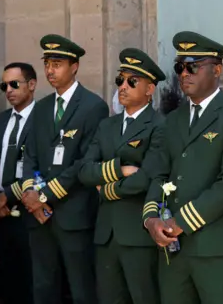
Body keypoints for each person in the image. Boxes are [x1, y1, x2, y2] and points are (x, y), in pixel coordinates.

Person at [143, 31, 223, 304]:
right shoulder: (172, 120)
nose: (184, 74)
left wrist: (180, 222)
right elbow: (158, 174)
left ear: (216, 70)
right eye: (180, 67)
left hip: (215, 250)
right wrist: (151, 219)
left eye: (193, 66)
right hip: (173, 250)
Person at [20, 34, 109, 304]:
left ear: (74, 66)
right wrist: (31, 195)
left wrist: (45, 195)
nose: (50, 70)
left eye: (57, 63)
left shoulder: (93, 106)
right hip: (39, 216)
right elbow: (30, 155)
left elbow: (85, 162)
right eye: (47, 63)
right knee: (44, 286)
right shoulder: (42, 108)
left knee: (81, 288)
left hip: (74, 214)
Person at [79, 47, 166, 304]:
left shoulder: (159, 126)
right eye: (120, 80)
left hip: (137, 234)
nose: (123, 86)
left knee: (144, 298)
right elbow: (85, 170)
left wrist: (104, 187)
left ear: (150, 89)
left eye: (132, 81)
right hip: (106, 235)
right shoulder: (107, 125)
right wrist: (121, 169)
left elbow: (146, 178)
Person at [0, 62, 37, 304]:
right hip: (0, 215)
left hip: (30, 215)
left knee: (32, 284)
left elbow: (43, 168)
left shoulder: (43, 119)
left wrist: (9, 196)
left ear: (32, 85)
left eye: (15, 84)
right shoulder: (0, 121)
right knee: (7, 285)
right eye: (5, 85)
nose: (9, 90)